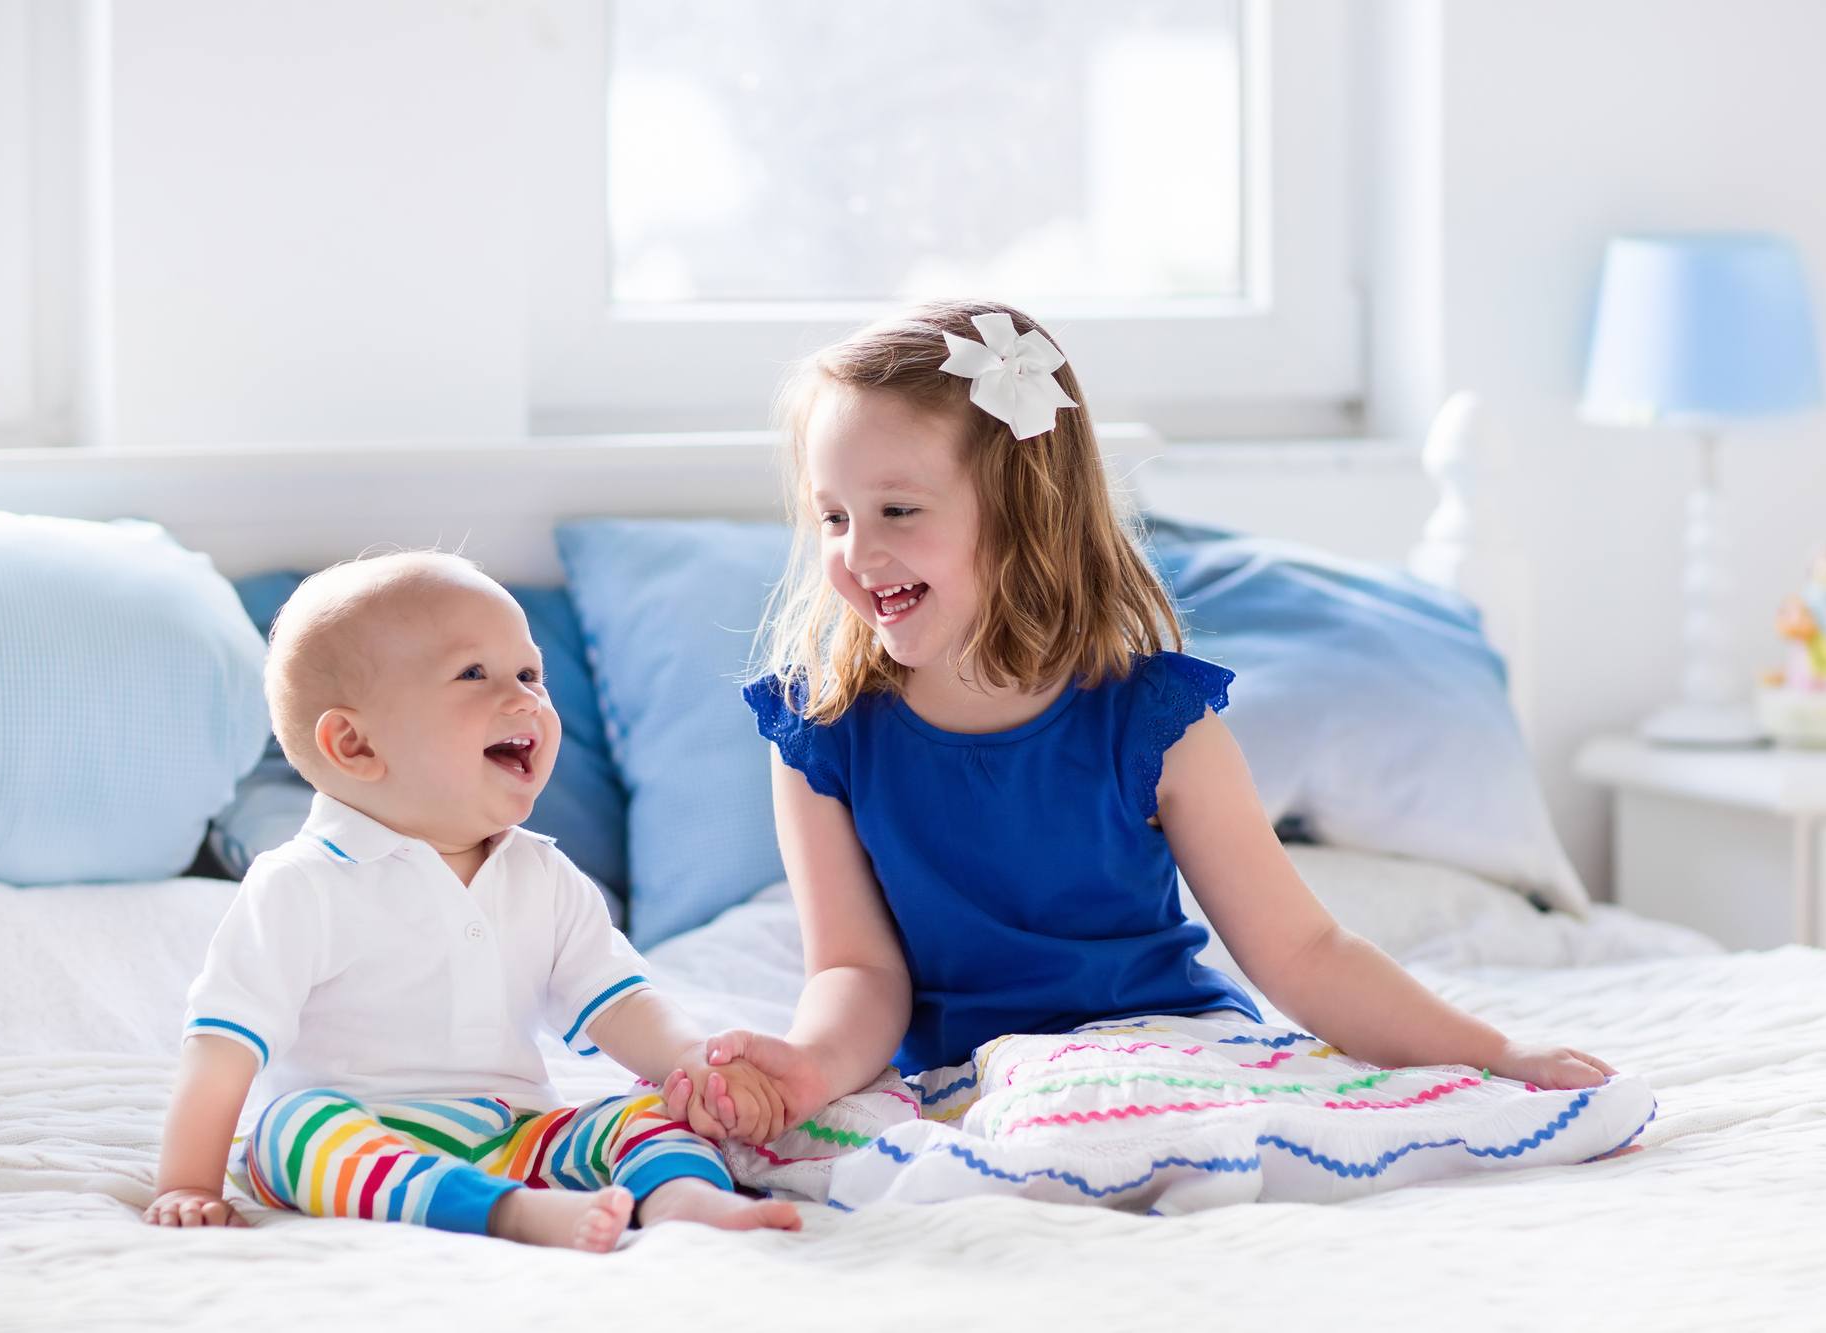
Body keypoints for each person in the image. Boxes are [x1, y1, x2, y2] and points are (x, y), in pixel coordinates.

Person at [665, 300, 1654, 1212]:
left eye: (897, 510)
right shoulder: (818, 733)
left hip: (1162, 1048)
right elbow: (854, 968)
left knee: (1154, 1115)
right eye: (831, 515)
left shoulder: (1153, 717)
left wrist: (1494, 1052)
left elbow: (1301, 952)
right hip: (966, 1075)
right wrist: (804, 1064)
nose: (854, 550)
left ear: (1018, 512)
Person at [144, 552, 800, 1248]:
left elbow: (619, 1001)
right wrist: (187, 1182)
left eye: (529, 673)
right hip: (367, 1136)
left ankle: (682, 1198)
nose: (525, 698)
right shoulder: (301, 884)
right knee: (289, 1129)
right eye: (473, 674)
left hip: (516, 1132)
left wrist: (691, 1061)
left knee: (642, 1112)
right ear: (355, 743)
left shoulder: (542, 873)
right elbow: (221, 1049)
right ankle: (510, 1213)